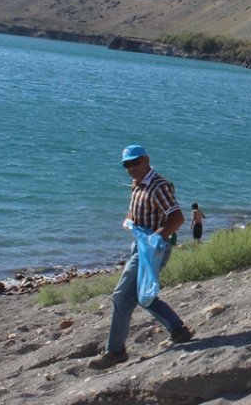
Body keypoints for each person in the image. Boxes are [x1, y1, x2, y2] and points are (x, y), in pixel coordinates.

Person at [89, 144, 195, 370]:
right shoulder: (138, 185)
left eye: (135, 162)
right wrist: (130, 221)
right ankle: (178, 330)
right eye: (127, 165)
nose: (131, 168)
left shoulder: (158, 186)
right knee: (142, 294)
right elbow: (136, 211)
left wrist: (157, 237)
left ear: (146, 160)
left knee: (121, 297)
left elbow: (177, 218)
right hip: (140, 245)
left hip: (152, 249)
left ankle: (115, 351)